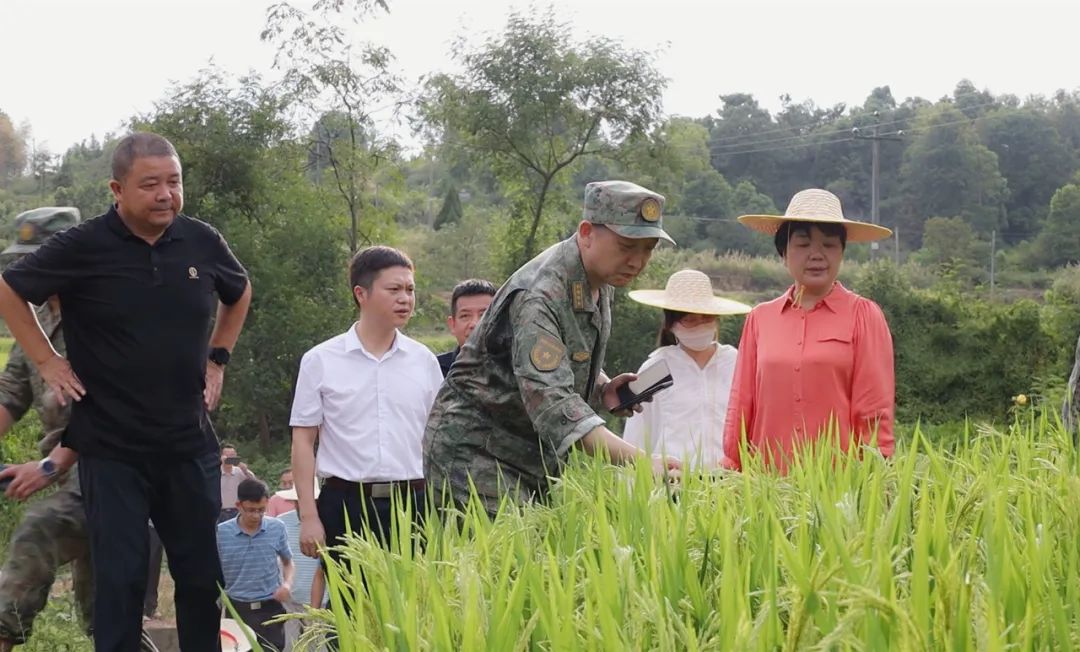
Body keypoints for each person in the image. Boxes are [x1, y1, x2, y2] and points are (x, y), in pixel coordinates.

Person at [0, 131, 252, 651]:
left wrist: (218, 359)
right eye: (150, 184)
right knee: (120, 585)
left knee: (201, 580)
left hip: (187, 443)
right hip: (111, 451)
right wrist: (47, 360)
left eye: (174, 182)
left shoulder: (200, 241)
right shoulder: (85, 245)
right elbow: (9, 290)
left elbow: (239, 289)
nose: (165, 195)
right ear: (117, 190)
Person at [423, 180, 682, 516]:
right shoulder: (540, 295)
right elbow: (554, 405)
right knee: (508, 548)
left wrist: (602, 388)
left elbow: (560, 352)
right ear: (586, 233)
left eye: (648, 248)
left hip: (528, 452)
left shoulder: (598, 278)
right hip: (476, 452)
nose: (638, 261)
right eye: (626, 246)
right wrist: (643, 462)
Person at [723, 188, 895, 472]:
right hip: (764, 481)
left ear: (842, 253)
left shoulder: (863, 316)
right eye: (803, 244)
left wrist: (875, 476)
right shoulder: (760, 318)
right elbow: (741, 404)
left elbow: (874, 412)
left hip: (838, 485)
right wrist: (732, 468)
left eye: (829, 245)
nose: (816, 255)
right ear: (783, 252)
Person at [291, 246, 443, 565]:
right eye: (394, 289)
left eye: (410, 290)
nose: (405, 299)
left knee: (417, 595)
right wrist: (308, 515)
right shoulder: (320, 360)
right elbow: (303, 441)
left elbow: (440, 437)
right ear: (361, 294)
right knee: (349, 595)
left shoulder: (424, 361)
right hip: (346, 505)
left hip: (413, 503)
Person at [623, 269, 751, 469]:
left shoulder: (736, 362)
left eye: (706, 318)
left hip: (729, 479)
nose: (700, 325)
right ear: (671, 324)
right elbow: (636, 433)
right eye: (690, 320)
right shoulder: (655, 368)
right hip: (671, 479)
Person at [217, 479, 294, 651]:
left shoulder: (277, 528)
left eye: (261, 510)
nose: (256, 516)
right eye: (251, 510)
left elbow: (288, 562)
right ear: (239, 505)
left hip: (270, 608)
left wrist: (287, 584)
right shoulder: (221, 533)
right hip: (237, 610)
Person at [272, 481, 325, 650]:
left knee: (319, 647)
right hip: (290, 600)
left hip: (322, 602)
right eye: (297, 501)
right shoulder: (281, 523)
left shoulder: (328, 522)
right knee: (290, 647)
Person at [437, 279, 497, 377]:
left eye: (484, 315)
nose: (475, 324)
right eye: (465, 316)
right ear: (452, 325)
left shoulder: (516, 370)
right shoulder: (435, 369)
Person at [220, 443, 258, 522]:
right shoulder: (216, 472)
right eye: (226, 455)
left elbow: (255, 484)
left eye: (232, 455)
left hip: (237, 510)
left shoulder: (239, 471)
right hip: (220, 511)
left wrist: (245, 471)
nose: (229, 458)